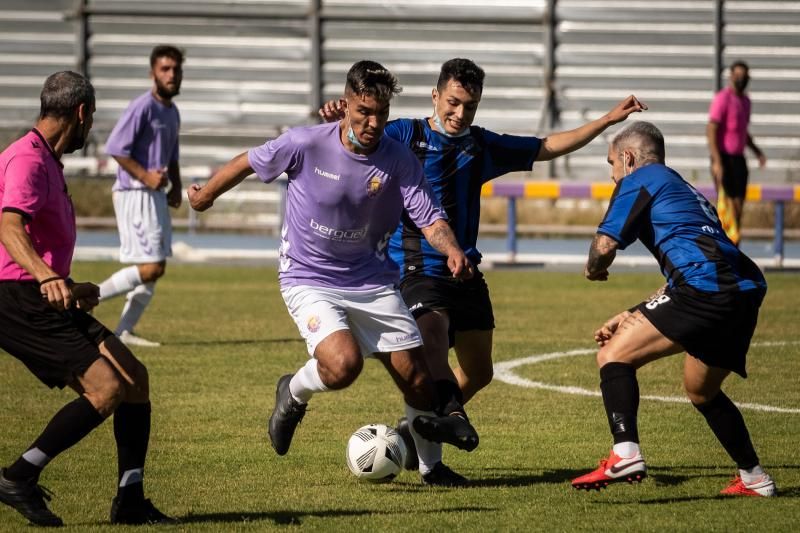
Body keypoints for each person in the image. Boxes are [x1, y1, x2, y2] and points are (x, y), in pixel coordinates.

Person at [319, 58, 647, 485]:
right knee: (432, 344)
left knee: (479, 371)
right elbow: (360, 134)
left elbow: (545, 146)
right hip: (416, 269)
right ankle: (442, 438)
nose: (459, 114)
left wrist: (607, 120)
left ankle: (419, 425)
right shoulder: (404, 135)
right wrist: (334, 116)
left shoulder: (480, 146)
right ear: (435, 96)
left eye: (469, 107)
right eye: (453, 103)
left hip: (465, 272)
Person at [187, 60, 481, 475]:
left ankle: (432, 469)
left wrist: (451, 250)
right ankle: (293, 391)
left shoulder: (398, 160)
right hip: (309, 277)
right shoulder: (306, 143)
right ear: (345, 106)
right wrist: (206, 196)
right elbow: (249, 161)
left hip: (373, 280)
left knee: (417, 379)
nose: (373, 122)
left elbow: (430, 218)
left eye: (381, 113)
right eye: (364, 111)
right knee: (343, 366)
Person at [0, 71, 173, 527]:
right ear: (81, 113)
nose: (91, 127)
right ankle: (19, 475)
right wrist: (45, 278)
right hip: (15, 296)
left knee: (134, 378)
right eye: (92, 118)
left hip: (39, 290)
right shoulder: (27, 161)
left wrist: (69, 285)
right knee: (107, 388)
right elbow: (9, 227)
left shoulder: (45, 161)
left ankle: (130, 498)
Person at [571, 121, 775, 497]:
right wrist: (632, 311)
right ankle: (755, 478)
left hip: (707, 289)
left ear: (628, 158)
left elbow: (603, 247)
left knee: (613, 356)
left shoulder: (638, 180)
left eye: (612, 163)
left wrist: (593, 270)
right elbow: (702, 261)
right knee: (702, 390)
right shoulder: (682, 188)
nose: (613, 173)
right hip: (743, 290)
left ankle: (625, 452)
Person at [97, 45, 185, 347]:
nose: (171, 75)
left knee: (155, 266)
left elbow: (171, 156)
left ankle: (123, 331)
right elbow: (116, 148)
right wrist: (146, 175)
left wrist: (175, 185)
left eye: (175, 69)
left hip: (156, 195)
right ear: (153, 73)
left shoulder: (172, 112)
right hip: (135, 193)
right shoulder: (142, 107)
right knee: (151, 267)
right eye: (165, 69)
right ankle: (88, 297)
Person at [706, 60, 766, 246]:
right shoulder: (722, 99)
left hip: (738, 159)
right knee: (727, 208)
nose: (741, 79)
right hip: (723, 158)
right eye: (737, 75)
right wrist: (717, 161)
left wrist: (757, 152)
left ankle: (734, 248)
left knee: (739, 209)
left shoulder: (746, 101)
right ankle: (723, 249)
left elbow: (742, 132)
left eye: (744, 76)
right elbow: (711, 129)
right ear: (731, 76)